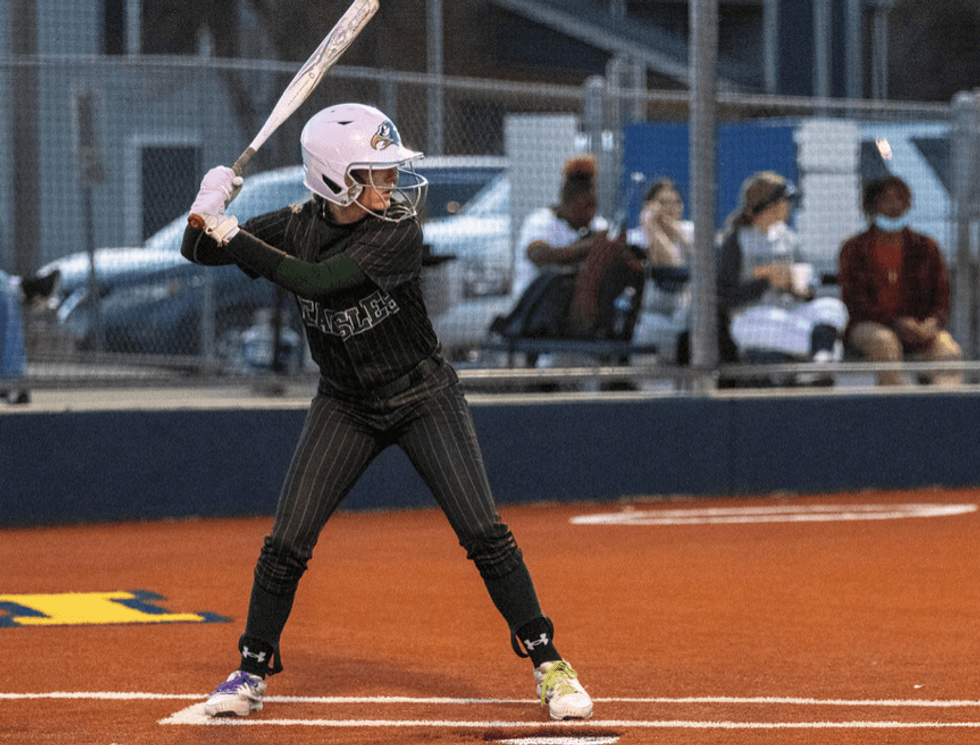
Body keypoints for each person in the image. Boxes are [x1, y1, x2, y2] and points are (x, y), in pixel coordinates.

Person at [181, 103, 593, 721]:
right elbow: (196, 251)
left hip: (423, 395)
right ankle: (250, 671)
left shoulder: (397, 229)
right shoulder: (296, 224)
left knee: (484, 533)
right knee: (287, 540)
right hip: (345, 403)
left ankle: (550, 664)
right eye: (377, 172)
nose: (393, 181)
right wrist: (207, 204)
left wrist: (233, 234)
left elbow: (318, 281)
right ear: (336, 180)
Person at [714, 171, 847, 384]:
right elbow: (724, 298)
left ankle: (820, 357)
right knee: (828, 343)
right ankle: (821, 353)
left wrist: (799, 288)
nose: (789, 206)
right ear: (770, 205)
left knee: (833, 307)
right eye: (785, 201)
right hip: (754, 318)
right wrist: (766, 281)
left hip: (791, 313)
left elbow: (809, 287)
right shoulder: (736, 241)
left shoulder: (788, 238)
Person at [838, 174, 962, 386]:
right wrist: (897, 323)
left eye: (900, 199)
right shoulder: (855, 249)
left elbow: (942, 296)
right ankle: (900, 403)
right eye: (887, 199)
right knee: (885, 342)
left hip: (920, 329)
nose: (894, 206)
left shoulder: (926, 247)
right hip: (871, 327)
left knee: (948, 348)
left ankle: (945, 404)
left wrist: (932, 323)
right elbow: (855, 302)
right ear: (872, 206)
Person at [512, 155, 643, 340]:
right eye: (582, 208)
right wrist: (588, 246)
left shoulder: (597, 225)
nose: (589, 214)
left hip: (571, 314)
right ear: (566, 201)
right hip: (533, 310)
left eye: (592, 207)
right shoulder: (541, 221)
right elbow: (538, 255)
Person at [627, 179, 693, 361]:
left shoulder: (689, 232)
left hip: (684, 318)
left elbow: (699, 262)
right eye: (663, 203)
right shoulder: (637, 237)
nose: (671, 208)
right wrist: (651, 225)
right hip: (650, 318)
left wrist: (675, 230)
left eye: (676, 202)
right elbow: (670, 263)